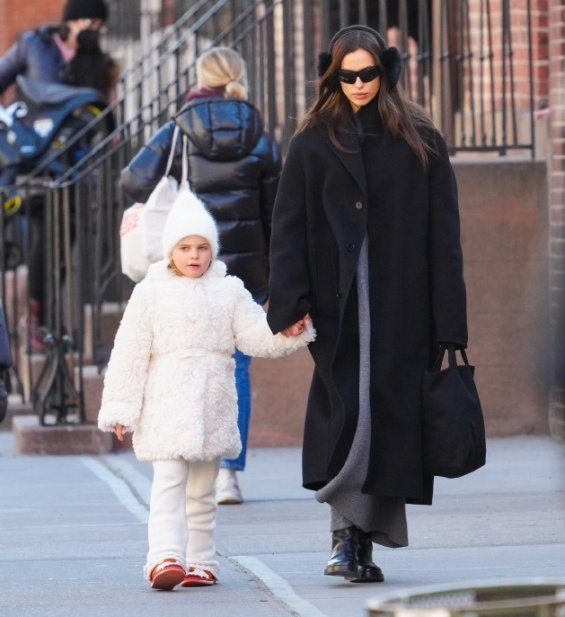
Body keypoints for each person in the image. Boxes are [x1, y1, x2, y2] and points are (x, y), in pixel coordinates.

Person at [266, 25, 468, 583]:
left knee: (390, 419)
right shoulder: (311, 142)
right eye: (346, 75)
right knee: (351, 415)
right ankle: (345, 536)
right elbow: (287, 227)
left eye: (368, 74)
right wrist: (289, 302)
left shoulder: (420, 140)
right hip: (338, 303)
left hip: (404, 302)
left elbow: (444, 235)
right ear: (332, 75)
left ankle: (360, 542)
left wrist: (450, 320)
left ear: (387, 72)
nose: (358, 84)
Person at [97, 186, 314, 590]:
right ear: (170, 251)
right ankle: (163, 557)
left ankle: (200, 560)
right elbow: (128, 353)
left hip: (211, 405)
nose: (194, 255)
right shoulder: (149, 293)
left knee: (201, 491)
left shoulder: (229, 290)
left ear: (212, 249)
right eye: (185, 247)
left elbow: (254, 335)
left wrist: (287, 332)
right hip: (166, 406)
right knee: (168, 483)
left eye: (201, 247)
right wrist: (121, 408)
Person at [121, 46, 281, 505]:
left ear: (200, 78)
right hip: (247, 269)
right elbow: (277, 211)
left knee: (183, 360)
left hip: (189, 260)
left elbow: (131, 181)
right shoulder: (260, 135)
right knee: (237, 367)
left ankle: (187, 459)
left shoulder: (181, 130)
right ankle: (228, 473)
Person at [0, 0, 116, 353]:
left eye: (99, 22)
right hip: (29, 163)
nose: (92, 26)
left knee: (62, 243)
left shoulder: (98, 60)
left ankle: (43, 320)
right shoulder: (33, 45)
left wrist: (91, 58)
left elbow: (103, 113)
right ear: (69, 20)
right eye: (87, 19)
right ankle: (36, 321)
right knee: (40, 237)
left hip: (71, 167)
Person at [0, 0, 110, 97]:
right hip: (32, 116)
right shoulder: (34, 44)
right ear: (71, 21)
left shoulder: (97, 59)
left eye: (99, 25)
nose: (94, 29)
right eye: (89, 22)